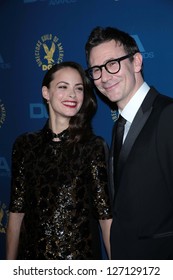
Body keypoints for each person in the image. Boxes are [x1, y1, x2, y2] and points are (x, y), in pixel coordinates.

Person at [6, 61, 112, 260]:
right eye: (63, 87)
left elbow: (105, 218)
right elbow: (16, 214)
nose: (72, 95)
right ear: (46, 93)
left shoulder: (93, 147)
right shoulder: (25, 145)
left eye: (78, 89)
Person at [85, 26, 173, 259]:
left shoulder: (168, 115)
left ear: (136, 62)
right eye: (96, 70)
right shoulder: (119, 126)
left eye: (112, 63)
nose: (104, 77)